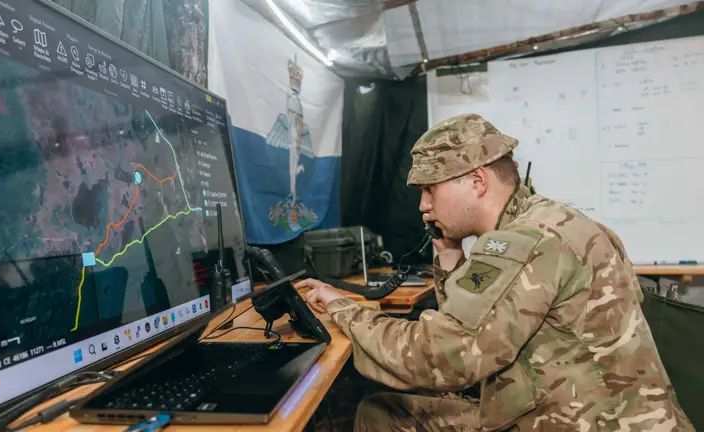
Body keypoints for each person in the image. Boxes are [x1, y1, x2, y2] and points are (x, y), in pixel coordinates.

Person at [296, 114, 693, 431]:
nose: (422, 206)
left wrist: (342, 307)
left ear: (477, 181)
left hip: (578, 420)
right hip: (606, 410)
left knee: (380, 414)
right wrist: (450, 256)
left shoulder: (521, 243)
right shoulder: (548, 219)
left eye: (429, 189)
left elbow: (443, 356)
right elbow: (479, 321)